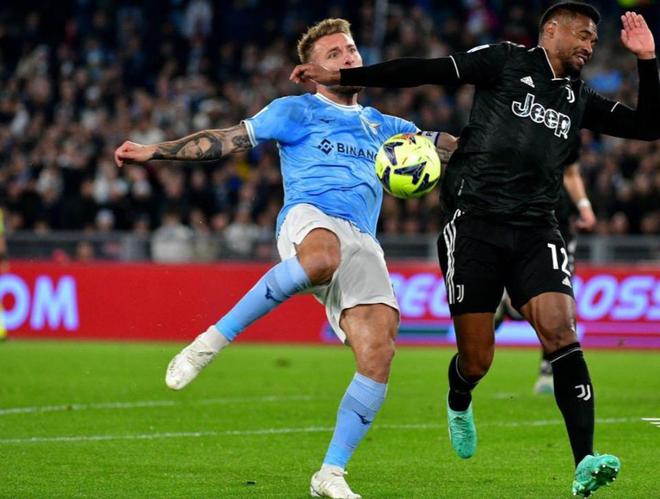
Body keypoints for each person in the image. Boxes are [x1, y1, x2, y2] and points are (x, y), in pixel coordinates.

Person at [290, 4, 659, 496]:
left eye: (595, 39)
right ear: (552, 29)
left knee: (561, 332)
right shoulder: (504, 61)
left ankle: (585, 461)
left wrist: (647, 60)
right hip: (473, 225)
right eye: (584, 35)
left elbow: (649, 125)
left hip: (536, 228)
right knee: (478, 358)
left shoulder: (578, 96)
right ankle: (460, 394)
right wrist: (344, 76)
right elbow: (423, 70)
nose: (591, 46)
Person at [115, 18, 455, 499]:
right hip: (309, 215)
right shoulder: (295, 110)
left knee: (378, 353)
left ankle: (330, 473)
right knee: (322, 257)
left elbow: (448, 147)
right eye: (334, 54)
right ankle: (208, 343)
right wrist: (155, 151)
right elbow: (226, 140)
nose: (348, 58)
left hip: (364, 239)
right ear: (312, 71)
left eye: (351, 50)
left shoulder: (390, 127)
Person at [493, 162, 597, 395]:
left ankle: (548, 369)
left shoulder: (564, 149)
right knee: (524, 305)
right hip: (529, 230)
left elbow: (572, 173)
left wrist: (584, 206)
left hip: (561, 234)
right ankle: (505, 309)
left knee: (561, 307)